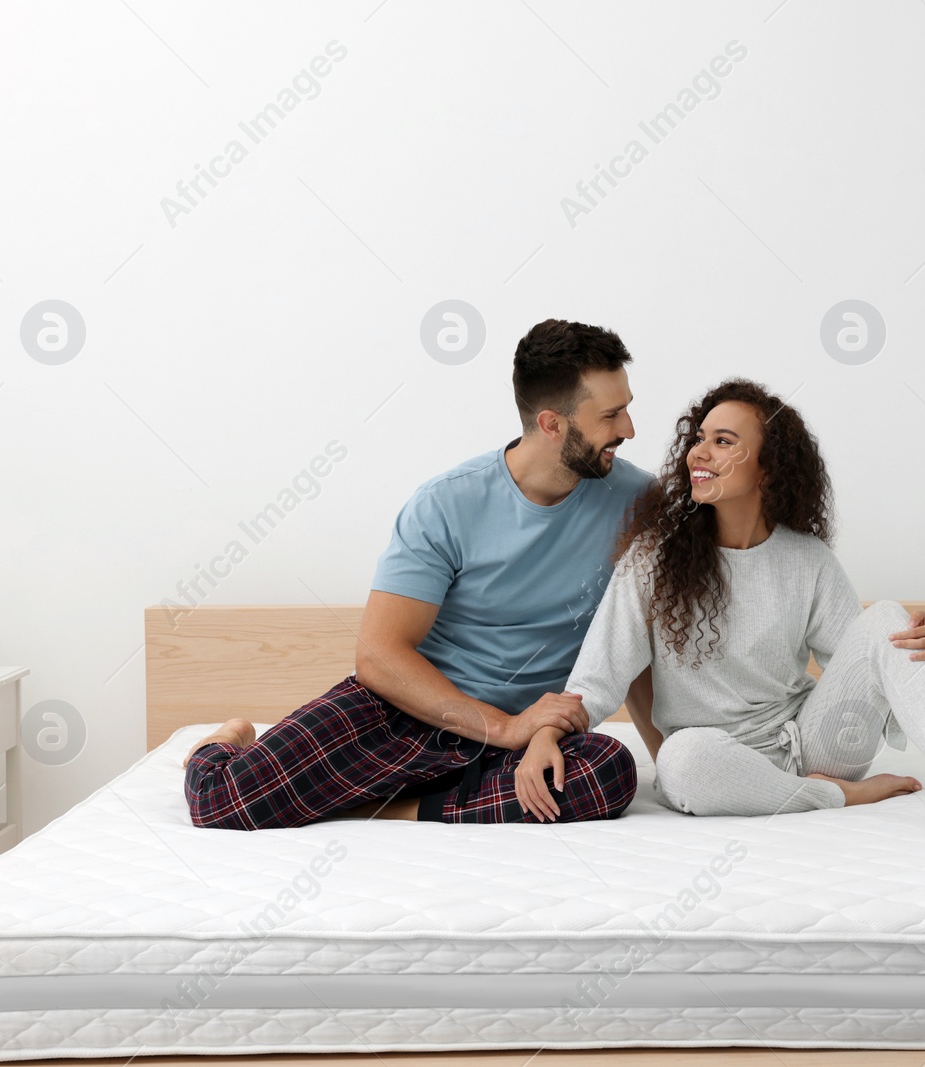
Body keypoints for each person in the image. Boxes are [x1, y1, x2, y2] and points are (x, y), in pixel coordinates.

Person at [516, 378, 925, 849]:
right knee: (679, 761)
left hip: (818, 744)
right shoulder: (652, 559)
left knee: (891, 618)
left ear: (768, 469)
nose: (698, 453)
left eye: (723, 441)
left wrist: (915, 647)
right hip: (720, 762)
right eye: (699, 439)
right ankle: (834, 798)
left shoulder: (807, 559)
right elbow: (595, 678)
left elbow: (869, 661)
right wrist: (546, 733)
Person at [180, 319, 652, 827]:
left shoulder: (641, 504)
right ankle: (226, 740)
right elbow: (379, 657)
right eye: (612, 414)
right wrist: (504, 726)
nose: (629, 429)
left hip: (529, 740)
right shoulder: (448, 503)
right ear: (551, 423)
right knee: (221, 803)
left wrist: (539, 733)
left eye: (626, 407)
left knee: (610, 771)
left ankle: (394, 809)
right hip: (408, 714)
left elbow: (644, 635)